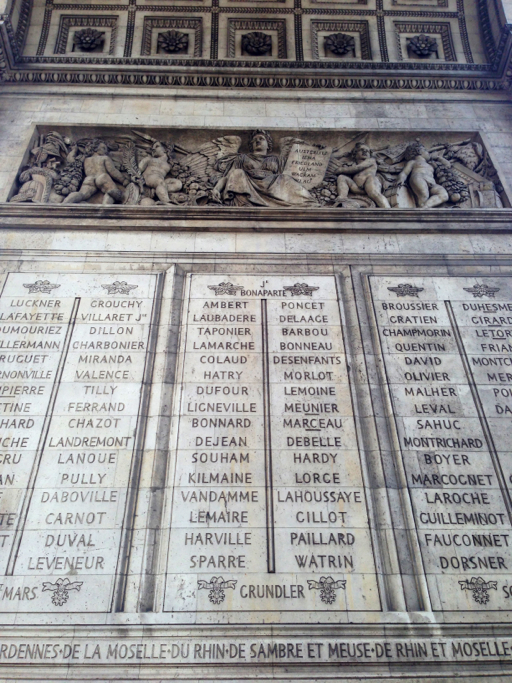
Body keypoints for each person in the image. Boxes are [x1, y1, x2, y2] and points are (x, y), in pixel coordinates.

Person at [211, 130, 316, 207]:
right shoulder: (242, 158)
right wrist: (216, 189)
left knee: (285, 178)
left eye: (261, 139)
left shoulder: (276, 159)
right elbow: (228, 177)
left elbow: (293, 173)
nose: (258, 141)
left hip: (272, 186)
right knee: (237, 172)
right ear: (251, 145)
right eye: (254, 140)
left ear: (268, 145)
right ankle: (244, 202)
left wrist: (314, 150)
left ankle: (307, 201)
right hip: (247, 185)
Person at [63, 139, 128, 204]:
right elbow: (112, 171)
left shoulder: (85, 160)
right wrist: (123, 180)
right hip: (102, 177)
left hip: (89, 179)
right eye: (103, 148)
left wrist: (74, 150)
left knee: (82, 194)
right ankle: (105, 207)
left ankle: (65, 203)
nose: (106, 151)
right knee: (112, 191)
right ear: (95, 148)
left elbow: (73, 162)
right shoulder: (104, 158)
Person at [331, 142, 390, 209]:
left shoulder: (371, 160)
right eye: (362, 150)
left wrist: (341, 170)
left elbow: (357, 168)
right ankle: (342, 197)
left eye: (367, 151)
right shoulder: (353, 164)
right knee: (342, 177)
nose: (365, 152)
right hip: (357, 187)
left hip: (369, 183)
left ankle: (387, 209)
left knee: (374, 193)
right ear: (355, 154)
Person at [395, 140, 449, 209]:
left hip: (432, 182)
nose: (428, 153)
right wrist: (401, 179)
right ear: (419, 151)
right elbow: (405, 172)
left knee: (444, 195)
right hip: (418, 178)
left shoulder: (431, 164)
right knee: (424, 196)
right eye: (425, 151)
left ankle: (425, 207)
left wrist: (438, 158)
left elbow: (447, 166)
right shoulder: (413, 162)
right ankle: (422, 207)